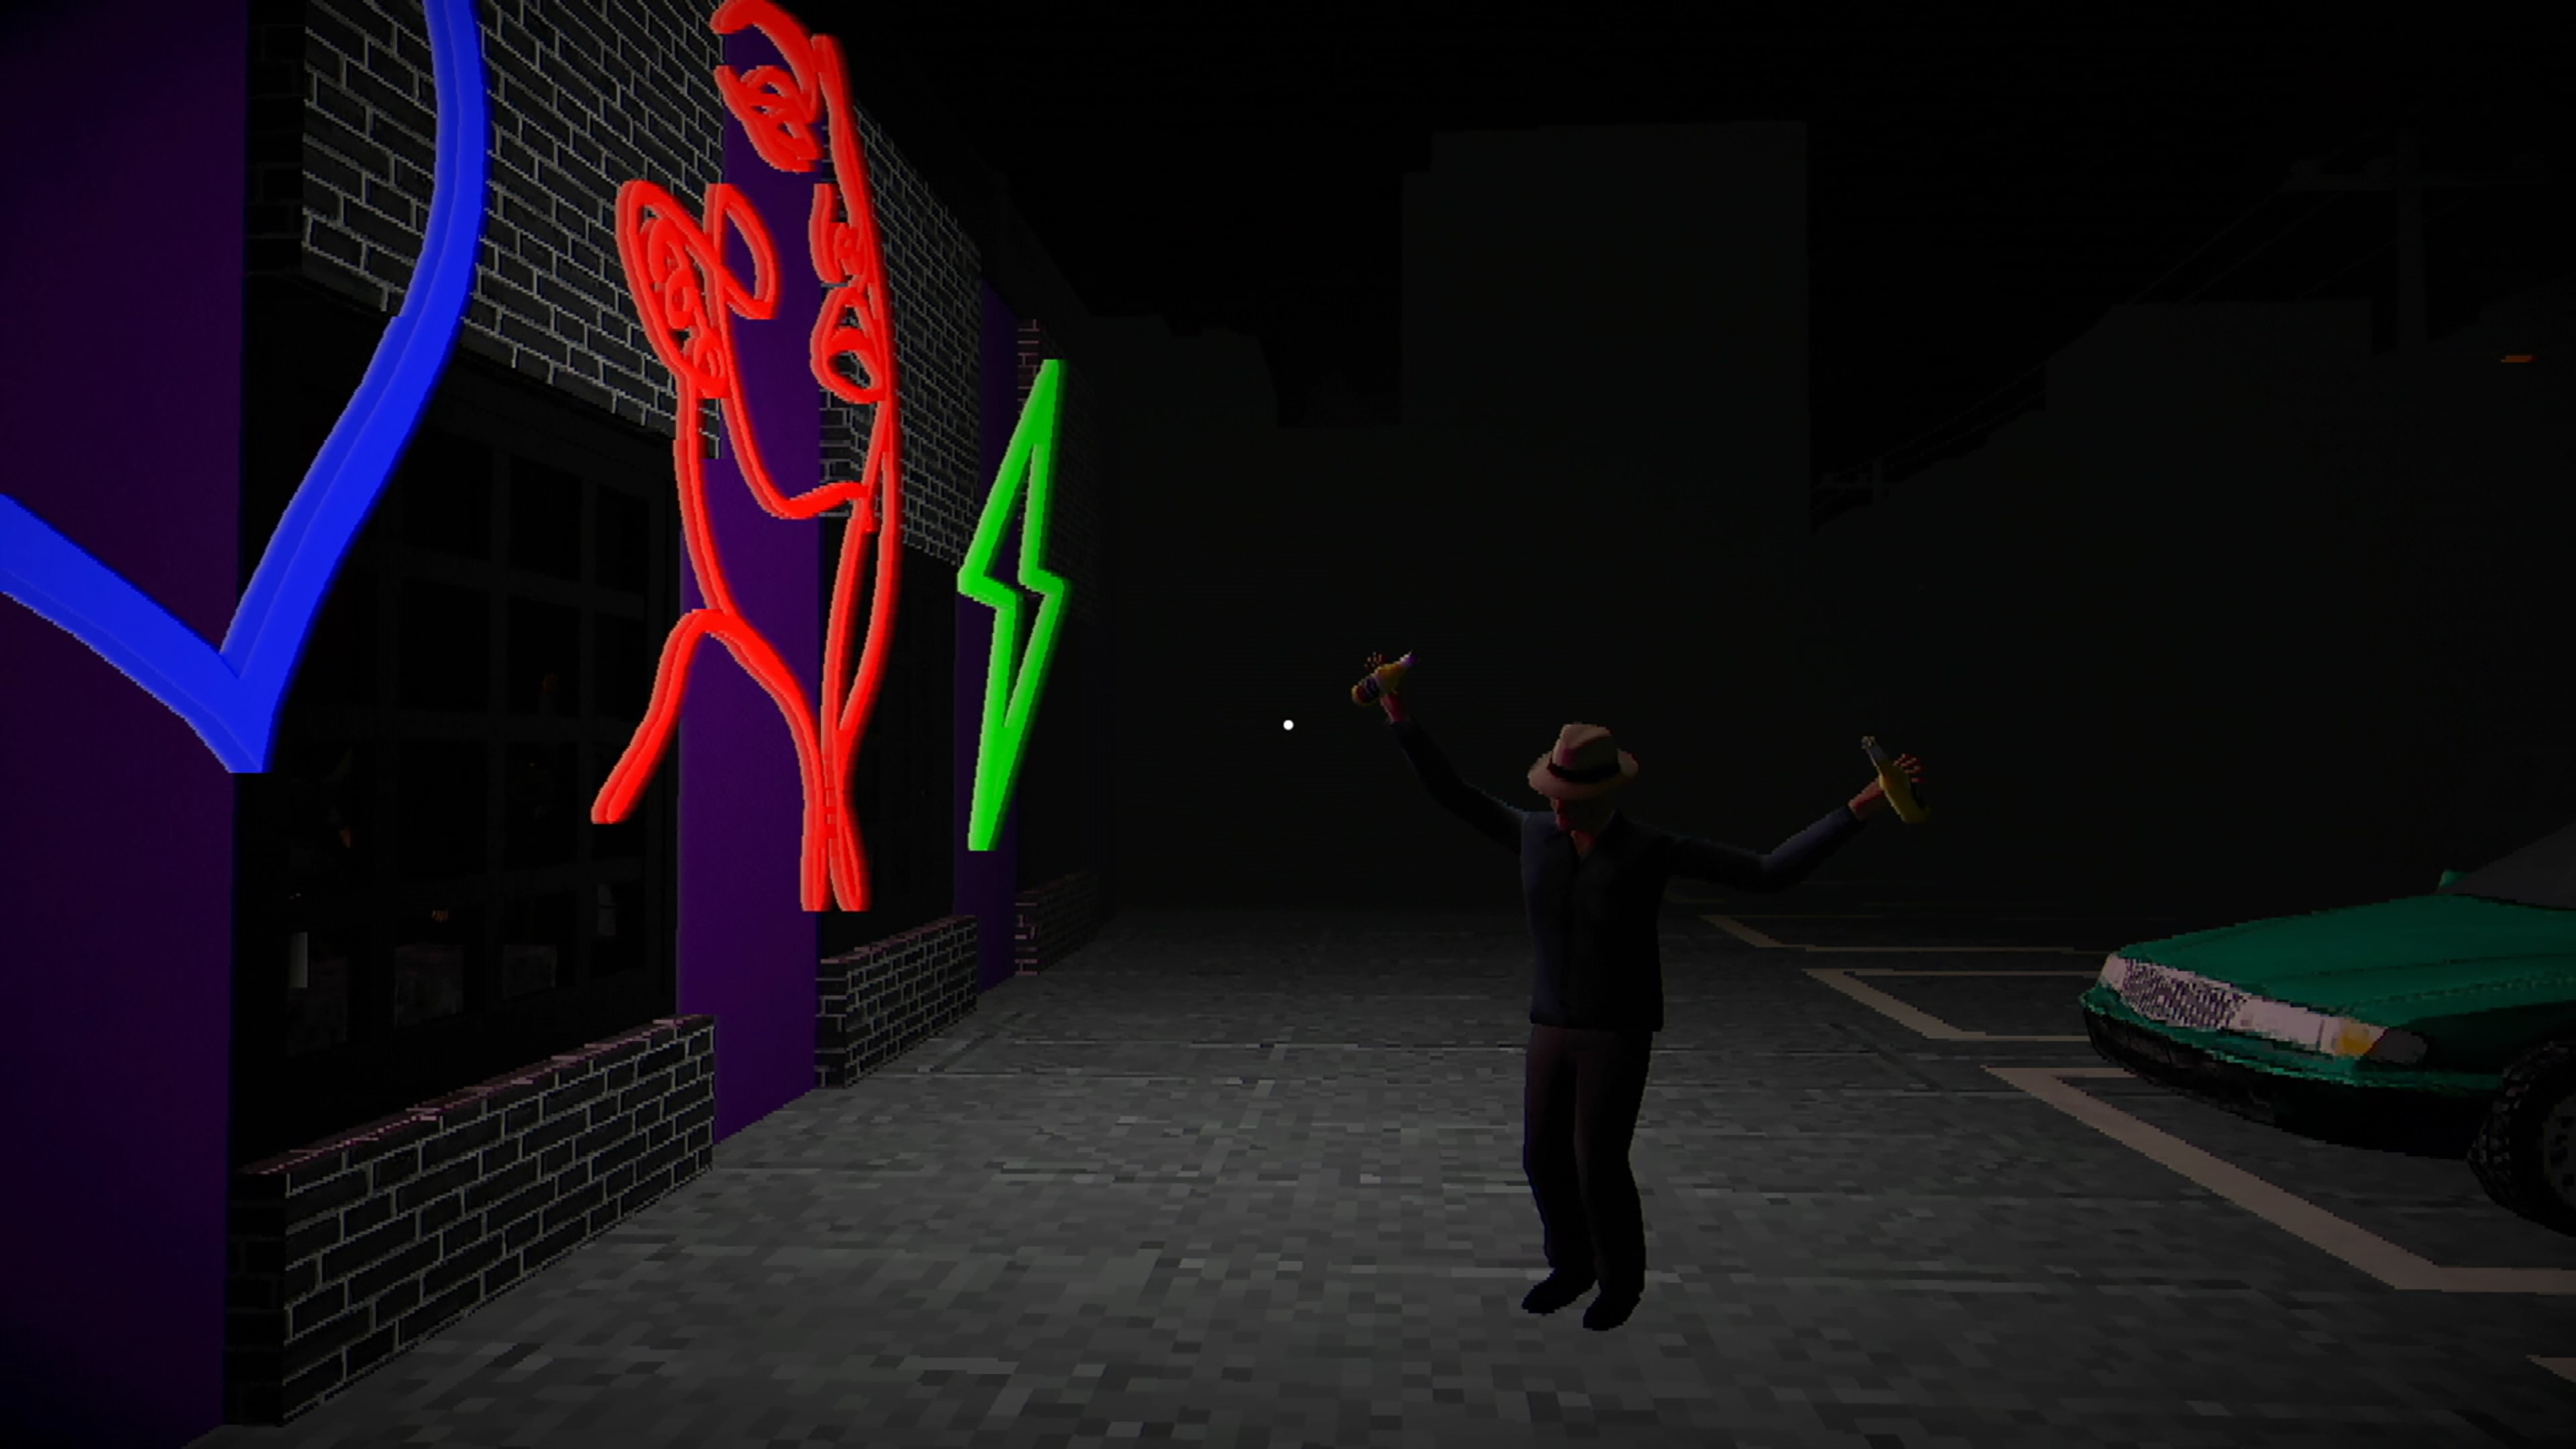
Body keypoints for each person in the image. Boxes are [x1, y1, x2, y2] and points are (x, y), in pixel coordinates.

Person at [1368, 655, 1925, 1331]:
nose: (1555, 804)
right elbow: (1450, 791)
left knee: (1598, 1164)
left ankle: (1620, 1283)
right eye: (1552, 791)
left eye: (1568, 796)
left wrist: (1861, 807)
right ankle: (1571, 1266)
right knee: (1542, 1159)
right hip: (1552, 1024)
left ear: (1604, 793)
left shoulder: (1649, 850)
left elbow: (1768, 872)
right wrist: (1396, 709)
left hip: (1617, 1030)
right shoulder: (1534, 834)